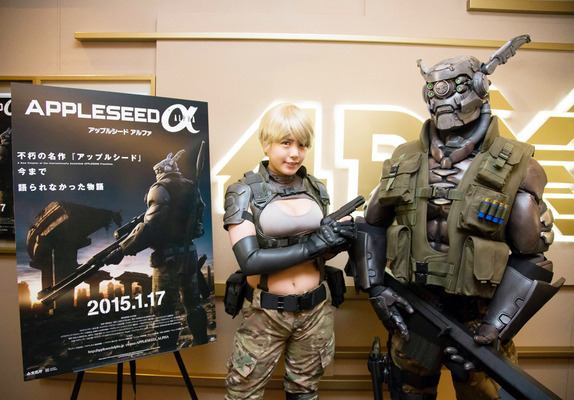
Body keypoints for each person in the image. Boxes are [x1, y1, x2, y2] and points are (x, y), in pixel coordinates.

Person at [346, 35, 564, 400]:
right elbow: (371, 224)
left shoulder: (518, 165)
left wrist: (494, 328)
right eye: (436, 89)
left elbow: (531, 257)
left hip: (479, 318)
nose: (445, 97)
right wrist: (378, 290)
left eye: (458, 85)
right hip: (414, 312)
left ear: (480, 86)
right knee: (410, 392)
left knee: (480, 393)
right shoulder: (404, 158)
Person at [223, 103, 356, 400]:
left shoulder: (316, 189)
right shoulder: (243, 191)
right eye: (286, 143)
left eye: (302, 145)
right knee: (243, 394)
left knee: (305, 392)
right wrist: (313, 245)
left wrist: (337, 241)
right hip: (266, 314)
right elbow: (250, 261)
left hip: (315, 311)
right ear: (266, 144)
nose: (295, 153)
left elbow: (320, 255)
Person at [105, 149, 209, 347]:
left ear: (161, 171)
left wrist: (122, 250)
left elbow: (150, 228)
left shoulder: (160, 188)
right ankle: (200, 342)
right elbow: (199, 219)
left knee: (163, 310)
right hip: (189, 253)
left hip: (167, 258)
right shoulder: (191, 186)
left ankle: (167, 350)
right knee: (193, 305)